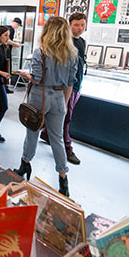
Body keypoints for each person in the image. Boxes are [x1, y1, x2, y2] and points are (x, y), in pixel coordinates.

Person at [15, 16, 77, 197]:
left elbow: (37, 79)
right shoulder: (72, 54)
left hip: (39, 95)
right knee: (57, 139)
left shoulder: (40, 52)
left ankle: (25, 164)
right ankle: (63, 179)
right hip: (59, 97)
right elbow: (70, 83)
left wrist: (26, 75)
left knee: (32, 133)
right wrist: (64, 103)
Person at [40, 12, 87, 165]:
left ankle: (46, 133)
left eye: (82, 25)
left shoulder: (82, 42)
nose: (80, 28)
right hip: (65, 87)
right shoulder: (65, 44)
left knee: (64, 115)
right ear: (69, 25)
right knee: (66, 117)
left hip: (76, 84)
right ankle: (67, 148)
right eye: (76, 25)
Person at [4, 17, 24, 93]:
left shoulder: (5, 27)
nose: (17, 27)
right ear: (15, 23)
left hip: (4, 51)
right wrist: (15, 44)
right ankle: (5, 87)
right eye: (18, 25)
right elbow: (7, 40)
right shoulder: (11, 29)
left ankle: (5, 87)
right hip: (7, 52)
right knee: (7, 68)